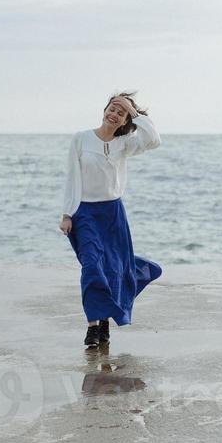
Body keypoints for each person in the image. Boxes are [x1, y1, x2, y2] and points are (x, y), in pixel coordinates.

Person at [60, 92, 163, 348]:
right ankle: (93, 326)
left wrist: (136, 113)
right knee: (93, 267)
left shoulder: (125, 143)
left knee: (115, 270)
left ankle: (105, 317)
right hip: (85, 214)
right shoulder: (81, 139)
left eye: (121, 112)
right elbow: (71, 178)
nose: (114, 114)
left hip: (113, 214)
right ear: (104, 110)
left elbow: (154, 140)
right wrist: (66, 214)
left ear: (125, 120)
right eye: (112, 108)